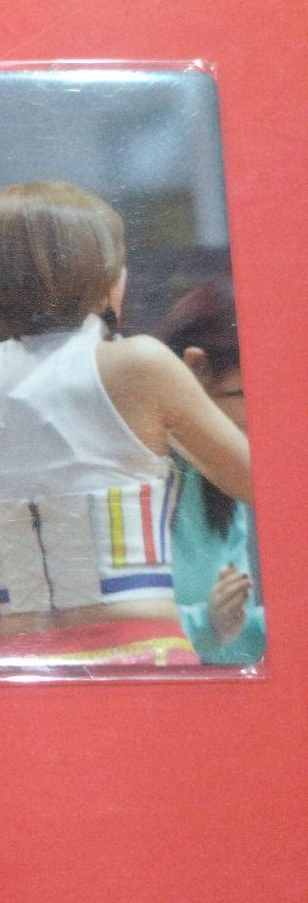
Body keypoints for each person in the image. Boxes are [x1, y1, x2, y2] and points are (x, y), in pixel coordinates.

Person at [0, 181, 251, 666]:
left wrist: (50, 598)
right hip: (144, 656)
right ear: (108, 279)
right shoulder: (140, 363)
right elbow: (259, 483)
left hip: (24, 665)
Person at [158, 277, 264, 664]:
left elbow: (232, 638)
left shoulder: (221, 479)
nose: (261, 417)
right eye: (247, 395)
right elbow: (114, 631)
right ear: (195, 369)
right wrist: (207, 625)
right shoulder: (139, 471)